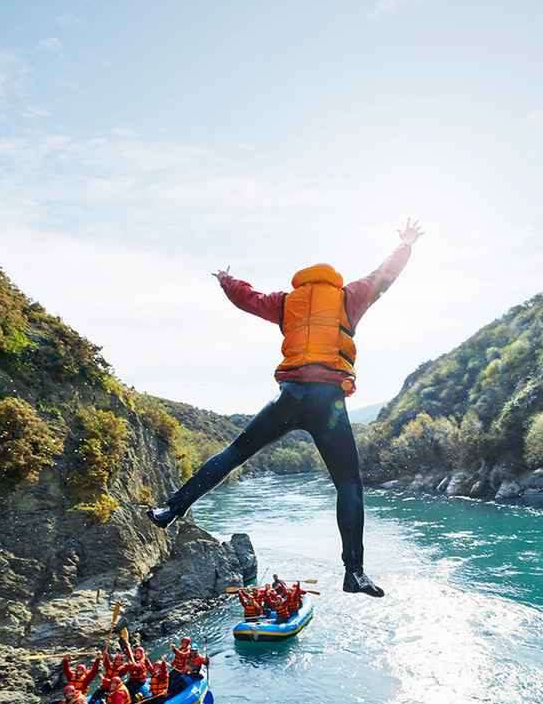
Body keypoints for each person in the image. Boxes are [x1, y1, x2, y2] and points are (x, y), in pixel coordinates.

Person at [148, 220, 426, 598]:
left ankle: (170, 510)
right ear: (331, 280)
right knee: (348, 483)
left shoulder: (287, 301)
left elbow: (247, 298)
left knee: (234, 453)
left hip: (290, 396)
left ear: (304, 282)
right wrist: (406, 245)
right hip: (327, 402)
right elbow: (385, 275)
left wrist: (226, 280)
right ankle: (354, 572)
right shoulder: (348, 296)